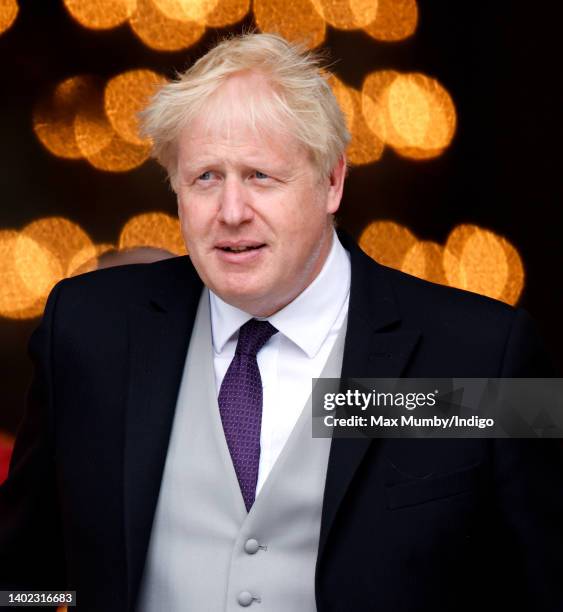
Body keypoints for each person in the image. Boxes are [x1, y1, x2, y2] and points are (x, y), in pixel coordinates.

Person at [0, 33, 562, 612]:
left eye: (262, 176)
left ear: (332, 181)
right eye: (206, 178)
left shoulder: (482, 353)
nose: (233, 212)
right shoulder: (90, 331)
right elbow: (27, 580)